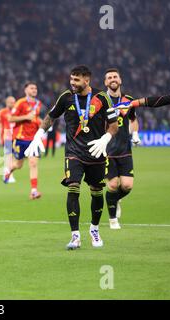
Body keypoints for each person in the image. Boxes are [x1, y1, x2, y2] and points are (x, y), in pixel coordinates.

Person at [25, 65, 119, 250]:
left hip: (96, 152)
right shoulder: (66, 97)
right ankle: (75, 236)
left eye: (76, 80)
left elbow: (114, 125)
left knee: (96, 192)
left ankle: (94, 229)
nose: (72, 83)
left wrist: (106, 138)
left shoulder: (102, 98)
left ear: (87, 80)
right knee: (73, 187)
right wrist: (38, 136)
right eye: (71, 79)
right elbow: (50, 117)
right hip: (74, 153)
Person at [104, 68, 140, 229]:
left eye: (115, 77)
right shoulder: (101, 100)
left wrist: (136, 133)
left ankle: (116, 199)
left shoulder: (128, 100)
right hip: (107, 151)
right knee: (112, 185)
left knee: (127, 186)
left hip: (125, 150)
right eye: (109, 77)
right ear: (106, 82)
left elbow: (133, 119)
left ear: (120, 80)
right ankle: (113, 219)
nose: (113, 79)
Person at [4, 82, 43, 200]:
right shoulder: (20, 103)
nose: (34, 90)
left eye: (35, 88)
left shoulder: (38, 103)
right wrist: (26, 117)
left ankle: (34, 191)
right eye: (32, 88)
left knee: (33, 163)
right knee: (18, 165)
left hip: (33, 139)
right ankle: (9, 170)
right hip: (21, 138)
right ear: (26, 90)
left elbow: (35, 118)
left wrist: (40, 123)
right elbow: (10, 118)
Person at [0, 96, 16, 183]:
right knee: (8, 156)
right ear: (7, 103)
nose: (13, 104)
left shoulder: (17, 111)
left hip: (16, 136)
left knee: (15, 158)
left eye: (14, 102)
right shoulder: (2, 112)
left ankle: (7, 171)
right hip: (7, 136)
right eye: (11, 102)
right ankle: (9, 175)